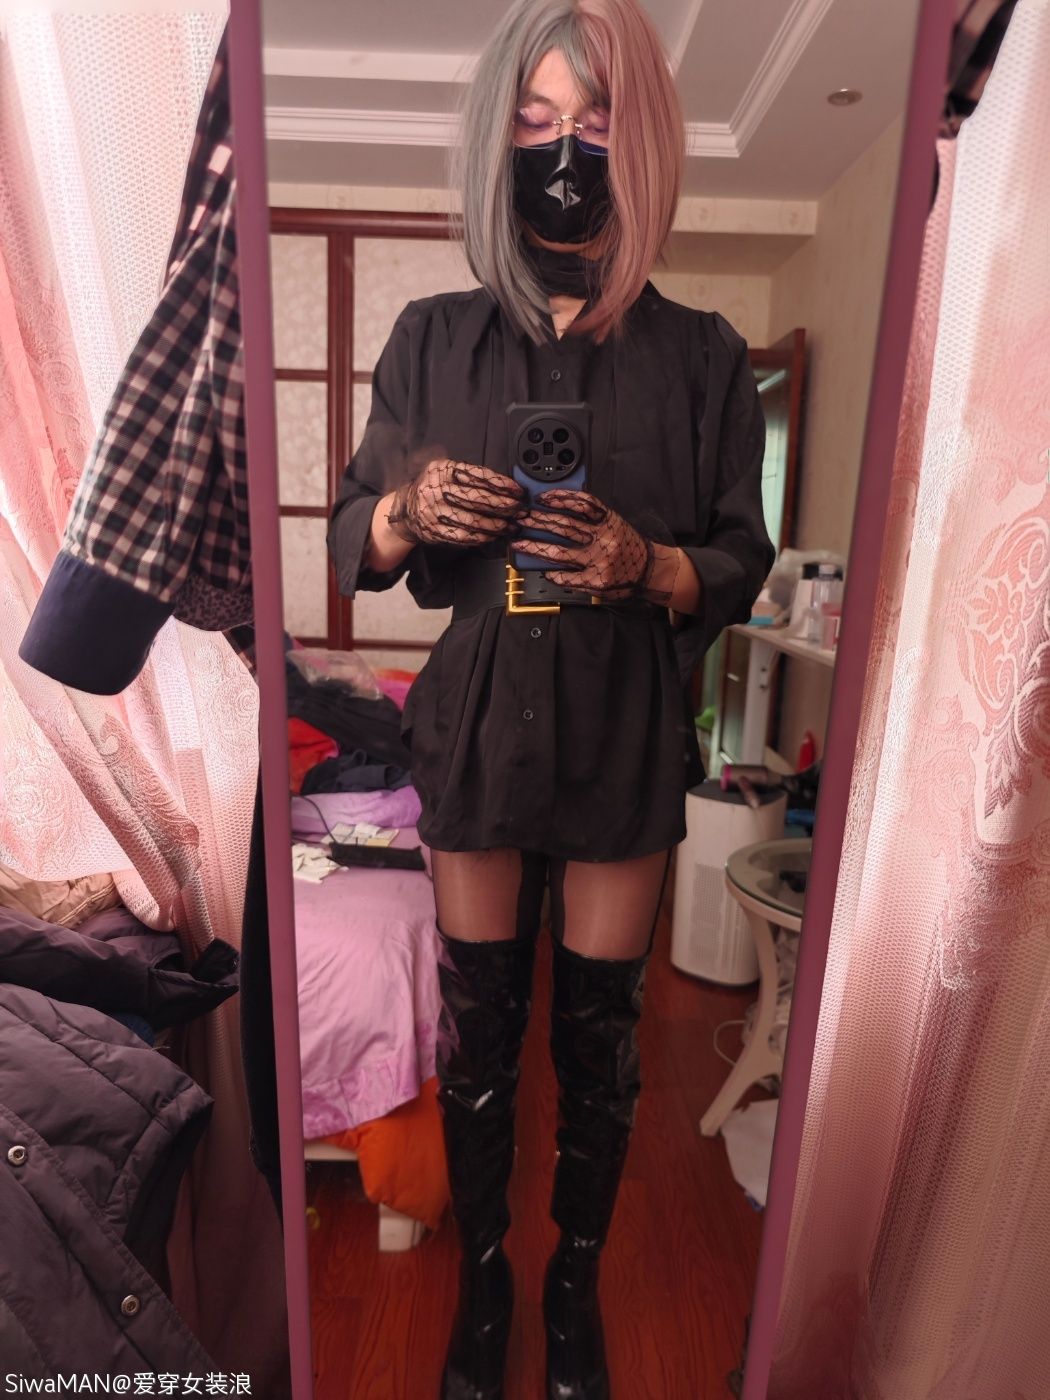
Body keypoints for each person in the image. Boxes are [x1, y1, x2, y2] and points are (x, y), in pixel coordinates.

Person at [327, 1, 776, 1395]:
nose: (563, 150)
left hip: (625, 725)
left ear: (640, 142)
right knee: (479, 1036)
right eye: (532, 121)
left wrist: (649, 563)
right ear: (492, 139)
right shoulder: (430, 340)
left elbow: (740, 557)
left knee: (598, 1042)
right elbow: (353, 533)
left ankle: (571, 1286)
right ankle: (484, 1285)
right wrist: (408, 509)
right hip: (476, 721)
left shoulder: (706, 356)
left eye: (592, 121)